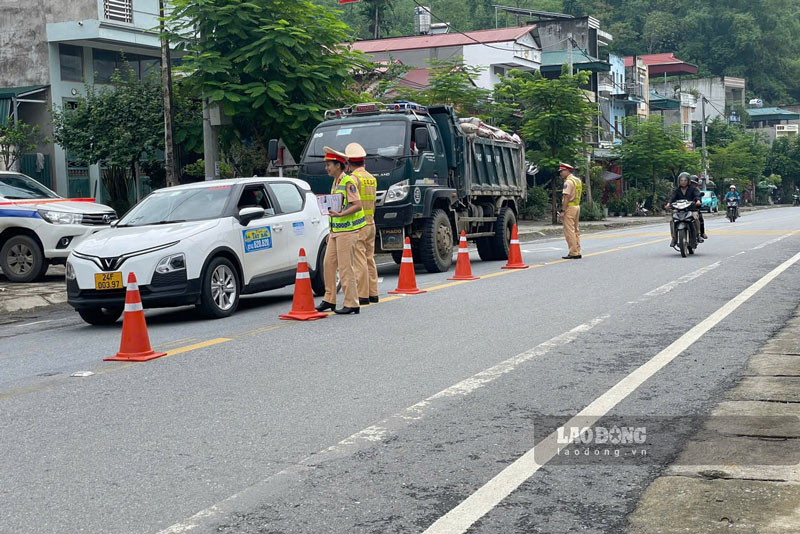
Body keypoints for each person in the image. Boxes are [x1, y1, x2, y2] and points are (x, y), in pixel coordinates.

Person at [315, 147, 367, 315]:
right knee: (328, 264)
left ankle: (352, 303)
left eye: (329, 164)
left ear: (338, 165)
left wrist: (341, 214)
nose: (326, 168)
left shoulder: (348, 182)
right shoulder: (336, 182)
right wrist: (331, 232)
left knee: (345, 267)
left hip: (348, 231)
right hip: (337, 232)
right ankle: (329, 299)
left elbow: (357, 205)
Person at [346, 142, 379, 306]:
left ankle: (363, 295)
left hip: (359, 224)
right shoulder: (371, 179)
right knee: (369, 258)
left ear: (349, 163)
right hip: (371, 222)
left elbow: (351, 202)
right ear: (363, 162)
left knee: (359, 260)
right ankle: (374, 293)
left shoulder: (353, 179)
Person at [665, 172, 702, 247]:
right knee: (672, 220)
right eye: (681, 180)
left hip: (691, 209)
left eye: (685, 180)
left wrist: (698, 201)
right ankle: (673, 238)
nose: (683, 182)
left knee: (695, 217)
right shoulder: (676, 190)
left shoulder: (693, 189)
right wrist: (669, 204)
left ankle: (698, 235)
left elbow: (697, 195)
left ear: (688, 181)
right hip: (679, 210)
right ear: (679, 181)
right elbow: (672, 197)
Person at [559, 162, 582, 259]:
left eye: (562, 171)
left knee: (569, 231)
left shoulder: (568, 182)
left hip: (570, 207)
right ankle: (577, 250)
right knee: (576, 230)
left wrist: (563, 211)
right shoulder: (577, 180)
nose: (560, 173)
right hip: (576, 206)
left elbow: (566, 196)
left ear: (567, 171)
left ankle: (573, 252)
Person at [690, 175, 708, 240]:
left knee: (699, 217)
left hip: (693, 209)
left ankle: (701, 233)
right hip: (683, 209)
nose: (692, 184)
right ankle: (674, 237)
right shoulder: (683, 189)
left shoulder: (696, 190)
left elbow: (698, 197)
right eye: (690, 183)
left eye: (693, 183)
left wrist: (698, 201)